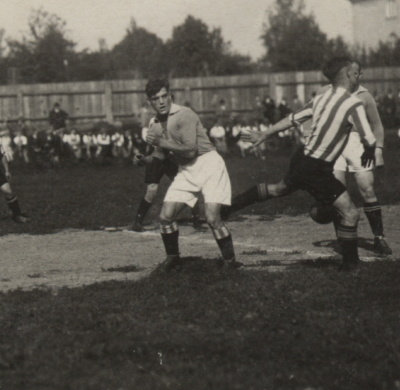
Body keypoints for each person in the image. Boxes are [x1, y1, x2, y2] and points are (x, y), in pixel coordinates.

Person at [229, 57, 378, 271]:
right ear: (346, 74)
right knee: (350, 213)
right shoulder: (353, 104)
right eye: (356, 72)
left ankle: (230, 207)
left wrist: (264, 134)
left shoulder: (320, 98)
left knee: (278, 189)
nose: (359, 76)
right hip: (317, 168)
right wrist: (370, 152)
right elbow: (369, 138)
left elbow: (292, 119)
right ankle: (351, 267)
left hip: (302, 158)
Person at [142, 79, 238, 272]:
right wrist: (145, 159)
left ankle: (230, 262)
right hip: (186, 170)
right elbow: (160, 153)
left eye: (163, 96)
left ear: (170, 95)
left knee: (212, 218)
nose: (161, 101)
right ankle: (173, 258)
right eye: (155, 98)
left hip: (208, 164)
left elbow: (190, 151)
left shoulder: (184, 114)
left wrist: (162, 141)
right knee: (165, 217)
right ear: (149, 102)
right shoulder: (153, 123)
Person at [331, 63, 391, 255]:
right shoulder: (327, 91)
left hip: (357, 144)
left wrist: (378, 150)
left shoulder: (365, 96)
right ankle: (342, 239)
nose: (355, 76)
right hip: (334, 146)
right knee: (336, 194)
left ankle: (379, 238)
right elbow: (313, 115)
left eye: (358, 73)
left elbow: (377, 125)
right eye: (352, 73)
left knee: (367, 188)